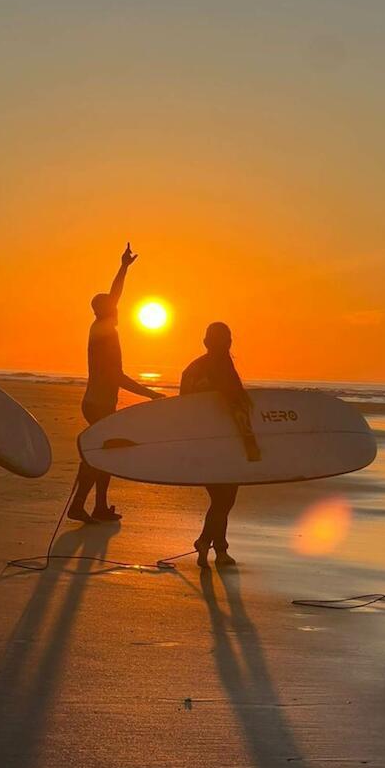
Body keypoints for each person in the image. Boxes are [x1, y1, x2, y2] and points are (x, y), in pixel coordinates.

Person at [69, 243, 164, 524]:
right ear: (105, 310)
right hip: (97, 404)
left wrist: (123, 266)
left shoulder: (102, 325)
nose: (118, 307)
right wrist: (150, 394)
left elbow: (115, 293)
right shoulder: (105, 333)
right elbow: (116, 376)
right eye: (113, 306)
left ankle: (99, 506)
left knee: (106, 454)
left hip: (100, 403)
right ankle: (78, 505)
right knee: (98, 455)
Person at [180, 322, 260, 568]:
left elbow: (181, 411)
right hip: (223, 445)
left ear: (205, 342)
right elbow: (238, 410)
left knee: (220, 499)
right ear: (228, 343)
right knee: (224, 500)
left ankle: (219, 549)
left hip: (198, 444)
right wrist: (250, 443)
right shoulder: (223, 368)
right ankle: (207, 543)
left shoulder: (191, 370)